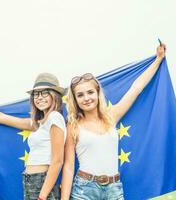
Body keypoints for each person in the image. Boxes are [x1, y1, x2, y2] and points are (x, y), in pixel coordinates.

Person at [61, 44, 166, 200]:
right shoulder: (73, 126)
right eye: (80, 95)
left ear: (98, 93)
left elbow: (136, 88)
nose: (86, 98)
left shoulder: (111, 116)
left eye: (90, 92)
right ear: (75, 100)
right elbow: (69, 167)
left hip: (114, 189)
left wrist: (158, 59)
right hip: (84, 190)